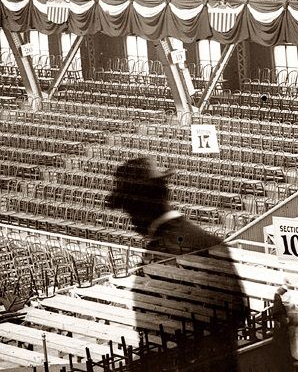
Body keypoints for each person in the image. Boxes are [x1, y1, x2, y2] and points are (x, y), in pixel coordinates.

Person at [105, 156, 248, 371]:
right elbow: (240, 312)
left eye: (129, 210)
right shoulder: (211, 242)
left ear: (141, 208)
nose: (131, 221)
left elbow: (158, 342)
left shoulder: (156, 259)